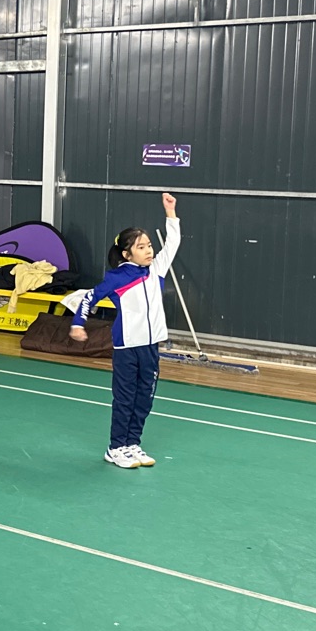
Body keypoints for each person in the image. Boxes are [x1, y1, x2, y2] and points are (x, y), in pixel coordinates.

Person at [69, 193, 181, 469]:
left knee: (145, 398)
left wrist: (171, 213)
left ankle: (133, 444)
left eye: (149, 245)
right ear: (126, 254)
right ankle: (116, 447)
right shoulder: (116, 278)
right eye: (141, 247)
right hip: (127, 348)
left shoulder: (156, 270)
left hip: (151, 347)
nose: (149, 250)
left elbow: (173, 243)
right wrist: (77, 324)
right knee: (125, 398)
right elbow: (88, 298)